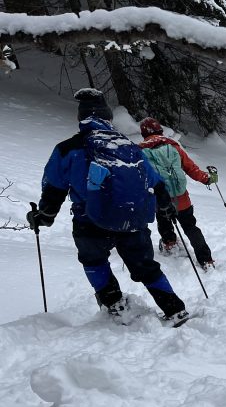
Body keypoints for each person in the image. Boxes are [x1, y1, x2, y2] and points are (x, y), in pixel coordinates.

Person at [26, 88, 188, 326]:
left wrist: (45, 216)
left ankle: (115, 306)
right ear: (108, 118)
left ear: (81, 119)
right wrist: (166, 207)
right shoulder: (130, 147)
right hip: (132, 218)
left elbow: (54, 186)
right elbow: (154, 182)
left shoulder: (68, 148)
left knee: (94, 261)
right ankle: (175, 310)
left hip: (89, 218)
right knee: (146, 266)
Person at [138, 117, 217, 270]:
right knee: (190, 227)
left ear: (143, 134)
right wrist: (207, 179)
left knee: (164, 222)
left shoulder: (141, 152)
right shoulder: (174, 147)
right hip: (182, 198)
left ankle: (170, 244)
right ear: (160, 130)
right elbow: (191, 169)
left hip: (160, 199)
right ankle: (206, 259)